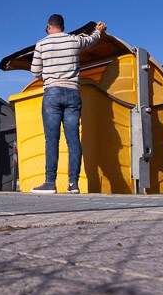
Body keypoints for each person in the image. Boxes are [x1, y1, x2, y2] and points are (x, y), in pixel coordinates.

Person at [29, 14, 107, 194]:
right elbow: (92, 40)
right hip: (73, 93)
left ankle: (50, 182)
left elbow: (34, 72)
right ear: (63, 26)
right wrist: (99, 30)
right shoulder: (74, 40)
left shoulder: (41, 44)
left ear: (49, 26)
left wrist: (49, 73)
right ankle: (73, 184)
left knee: (52, 140)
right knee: (73, 140)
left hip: (52, 93)